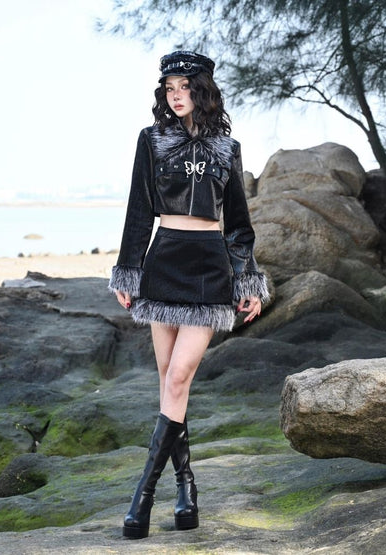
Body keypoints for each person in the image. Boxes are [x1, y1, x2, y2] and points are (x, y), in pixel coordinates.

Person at [109, 50, 269, 539]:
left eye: (184, 87)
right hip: (164, 262)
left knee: (178, 377)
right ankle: (186, 488)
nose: (176, 96)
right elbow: (139, 211)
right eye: (169, 89)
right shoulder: (151, 140)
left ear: (202, 91)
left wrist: (247, 279)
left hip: (208, 268)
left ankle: (142, 496)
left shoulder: (227, 147)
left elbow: (238, 225)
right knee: (168, 383)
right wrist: (128, 272)